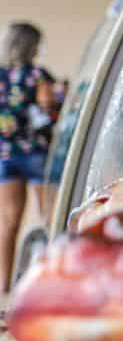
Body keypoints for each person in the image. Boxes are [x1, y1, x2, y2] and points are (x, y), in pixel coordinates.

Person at [0, 22, 54, 288]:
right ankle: (49, 278)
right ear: (30, 45)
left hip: (6, 153)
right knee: (48, 218)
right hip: (36, 151)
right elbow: (49, 106)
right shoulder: (38, 74)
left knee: (8, 222)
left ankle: (3, 286)